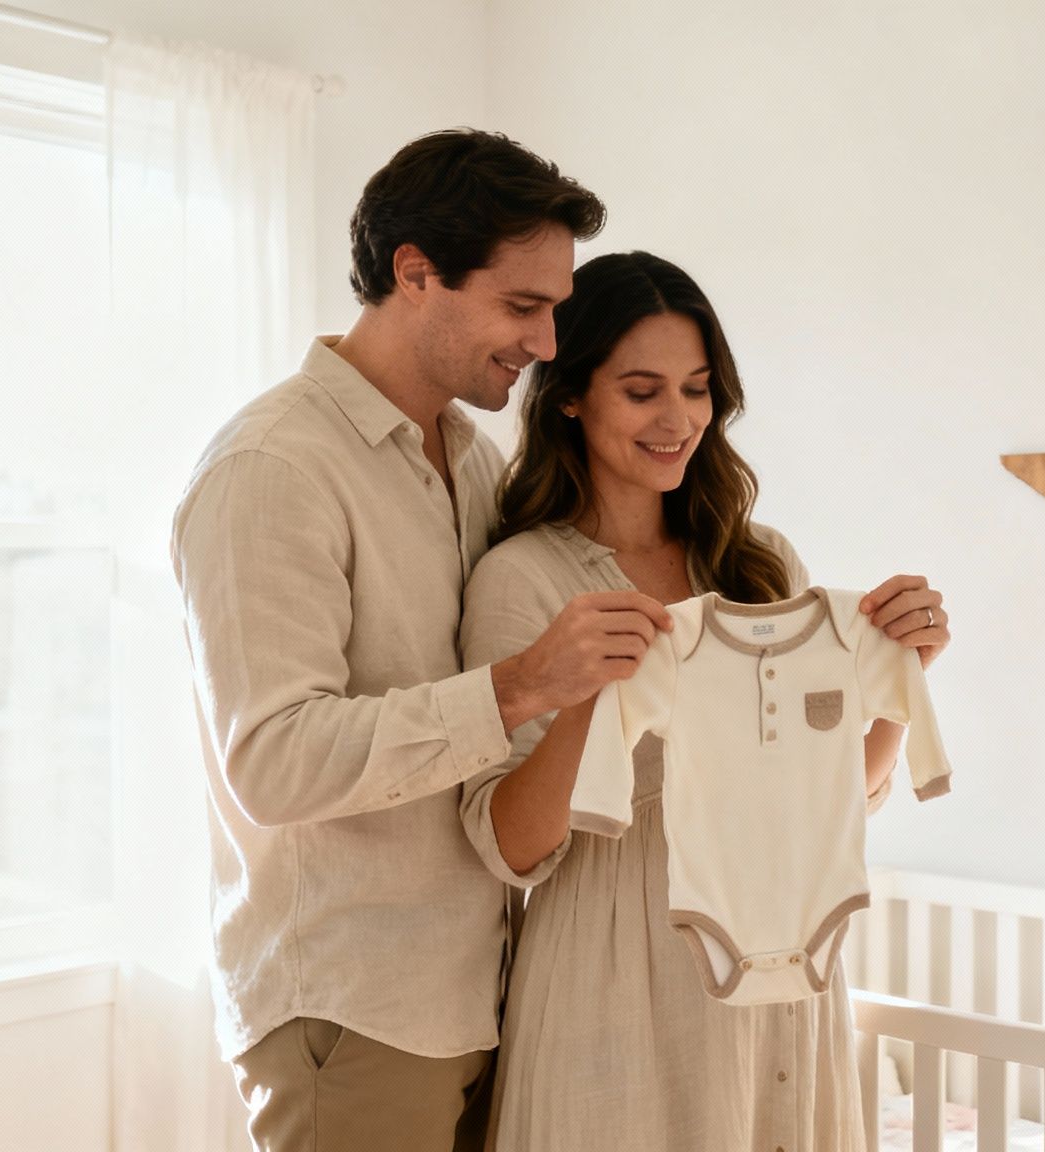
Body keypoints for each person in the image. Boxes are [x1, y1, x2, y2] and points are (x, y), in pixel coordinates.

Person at [171, 131, 675, 1152]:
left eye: (554, 313)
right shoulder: (272, 469)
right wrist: (521, 685)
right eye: (521, 306)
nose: (542, 345)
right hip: (355, 1009)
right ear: (414, 274)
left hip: (487, 988)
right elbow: (271, 761)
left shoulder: (472, 460)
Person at [457, 251, 953, 1150]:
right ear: (572, 394)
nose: (677, 418)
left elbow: (836, 796)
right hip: (613, 970)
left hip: (779, 957)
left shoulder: (761, 565)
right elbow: (507, 844)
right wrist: (585, 697)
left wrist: (903, 681)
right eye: (642, 390)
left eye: (697, 388)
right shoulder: (521, 579)